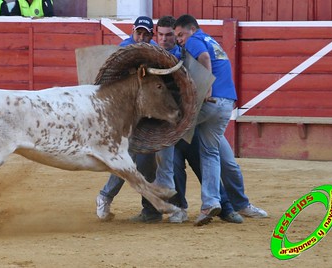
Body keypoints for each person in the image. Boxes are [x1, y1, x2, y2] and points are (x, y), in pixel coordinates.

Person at [96, 16, 178, 223]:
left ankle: (149, 211)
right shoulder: (124, 50)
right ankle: (106, 196)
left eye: (145, 34)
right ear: (132, 32)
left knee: (146, 162)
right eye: (138, 33)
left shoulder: (154, 52)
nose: (141, 37)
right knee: (128, 159)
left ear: (151, 35)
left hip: (147, 115)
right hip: (127, 117)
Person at [173, 14, 236, 226]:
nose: (180, 39)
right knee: (209, 152)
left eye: (181, 34)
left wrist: (207, 85)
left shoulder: (194, 40)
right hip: (227, 103)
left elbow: (205, 59)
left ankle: (173, 202)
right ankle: (211, 202)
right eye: (177, 36)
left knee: (169, 131)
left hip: (211, 101)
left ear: (192, 29)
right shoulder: (212, 40)